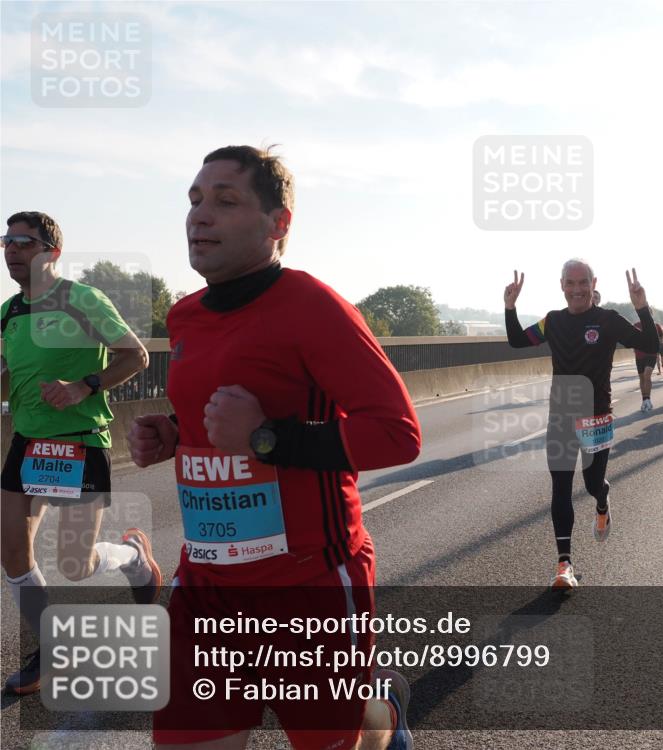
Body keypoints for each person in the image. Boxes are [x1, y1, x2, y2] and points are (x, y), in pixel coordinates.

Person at [126, 146, 421, 750]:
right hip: (206, 580)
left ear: (278, 223)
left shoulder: (314, 307)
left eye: (225, 201)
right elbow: (221, 422)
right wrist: (176, 435)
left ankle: (381, 710)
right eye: (195, 200)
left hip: (307, 584)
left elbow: (398, 433)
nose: (198, 216)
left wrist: (267, 437)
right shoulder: (185, 316)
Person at [1, 211, 159, 695]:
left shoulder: (80, 300)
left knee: (76, 563)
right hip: (28, 444)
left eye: (23, 241)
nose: (11, 249)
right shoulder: (9, 311)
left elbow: (137, 356)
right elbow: (10, 373)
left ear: (52, 251)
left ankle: (133, 557)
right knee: (11, 552)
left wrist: (82, 386)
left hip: (79, 441)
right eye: (6, 241)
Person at [504, 262, 657, 589]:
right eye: (571, 283)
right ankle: (564, 565)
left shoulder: (608, 320)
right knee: (560, 487)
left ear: (593, 283)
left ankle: (602, 500)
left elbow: (652, 344)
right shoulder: (553, 321)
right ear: (562, 285)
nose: (577, 289)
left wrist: (641, 307)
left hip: (597, 418)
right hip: (560, 417)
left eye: (583, 282)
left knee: (591, 484)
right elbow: (517, 340)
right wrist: (510, 307)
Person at [633, 317, 662, 411]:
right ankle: (644, 400)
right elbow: (631, 338)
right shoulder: (636, 325)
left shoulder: (656, 326)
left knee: (647, 375)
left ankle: (648, 399)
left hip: (651, 354)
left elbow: (660, 338)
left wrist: (658, 346)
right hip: (639, 354)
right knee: (642, 377)